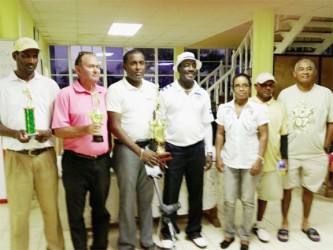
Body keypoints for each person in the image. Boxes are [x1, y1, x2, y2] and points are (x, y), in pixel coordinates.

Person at [0, 37, 64, 249]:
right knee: (19, 215)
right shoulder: (2, 86)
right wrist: (13, 133)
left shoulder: (49, 85)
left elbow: (59, 119)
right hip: (17, 159)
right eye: (25, 55)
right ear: (14, 56)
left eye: (34, 56)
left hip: (45, 155)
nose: (31, 60)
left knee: (51, 212)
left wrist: (50, 131)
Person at [52, 51, 111, 250]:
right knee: (75, 211)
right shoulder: (65, 94)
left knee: (101, 209)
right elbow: (59, 131)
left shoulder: (104, 93)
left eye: (97, 66)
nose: (96, 70)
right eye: (90, 66)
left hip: (102, 161)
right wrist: (83, 130)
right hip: (75, 162)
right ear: (78, 69)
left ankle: (100, 246)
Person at [159, 52, 214, 249]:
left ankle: (194, 231)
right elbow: (160, 123)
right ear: (178, 69)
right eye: (186, 65)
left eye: (193, 65)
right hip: (173, 149)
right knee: (170, 194)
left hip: (196, 149)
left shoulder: (203, 93)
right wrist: (160, 150)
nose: (190, 69)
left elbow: (207, 125)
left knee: (196, 193)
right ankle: (168, 232)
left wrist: (209, 151)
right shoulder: (166, 92)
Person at [107, 49, 161, 250]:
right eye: (133, 63)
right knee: (127, 200)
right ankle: (127, 244)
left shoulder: (152, 88)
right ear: (125, 66)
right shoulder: (115, 89)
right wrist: (140, 151)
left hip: (150, 148)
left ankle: (147, 241)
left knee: (147, 199)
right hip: (127, 151)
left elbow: (157, 120)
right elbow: (115, 126)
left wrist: (157, 147)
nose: (138, 67)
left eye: (141, 63)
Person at [277, 58, 333, 243]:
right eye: (301, 69)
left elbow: (331, 122)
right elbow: (278, 124)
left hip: (316, 154)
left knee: (309, 190)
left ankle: (305, 223)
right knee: (285, 189)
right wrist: (279, 154)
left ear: (314, 73)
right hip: (286, 154)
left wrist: (325, 146)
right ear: (294, 73)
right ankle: (284, 223)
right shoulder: (285, 94)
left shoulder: (326, 94)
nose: (305, 72)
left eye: (309, 69)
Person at [215, 73, 268, 250]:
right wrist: (217, 156)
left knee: (247, 200)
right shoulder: (224, 108)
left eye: (245, 85)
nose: (241, 88)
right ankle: (229, 234)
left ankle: (245, 236)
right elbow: (220, 133)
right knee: (228, 200)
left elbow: (264, 135)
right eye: (237, 85)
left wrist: (259, 159)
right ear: (233, 88)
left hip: (251, 162)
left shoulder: (258, 109)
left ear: (250, 87)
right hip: (229, 161)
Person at [251, 72, 288, 243]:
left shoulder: (280, 107)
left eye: (271, 85)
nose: (268, 88)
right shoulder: (248, 104)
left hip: (273, 160)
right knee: (246, 195)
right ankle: (244, 224)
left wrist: (284, 162)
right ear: (256, 86)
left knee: (265, 195)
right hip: (250, 160)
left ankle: (258, 224)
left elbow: (284, 135)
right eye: (264, 84)